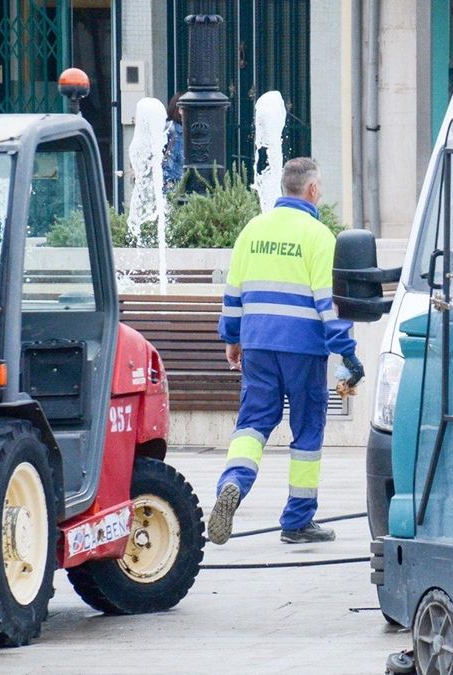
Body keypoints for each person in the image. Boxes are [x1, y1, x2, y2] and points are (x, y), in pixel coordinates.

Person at [207, 158, 365, 545]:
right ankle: (297, 521)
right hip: (304, 349)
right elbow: (328, 304)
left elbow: (233, 294)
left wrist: (232, 339)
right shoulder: (318, 236)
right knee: (308, 430)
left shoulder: (252, 230)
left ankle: (232, 484)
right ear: (311, 190)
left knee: (253, 423)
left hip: (258, 344)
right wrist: (347, 352)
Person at [162, 93, 185, 193]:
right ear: (180, 110)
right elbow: (168, 163)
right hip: (173, 186)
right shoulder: (172, 131)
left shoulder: (180, 131)